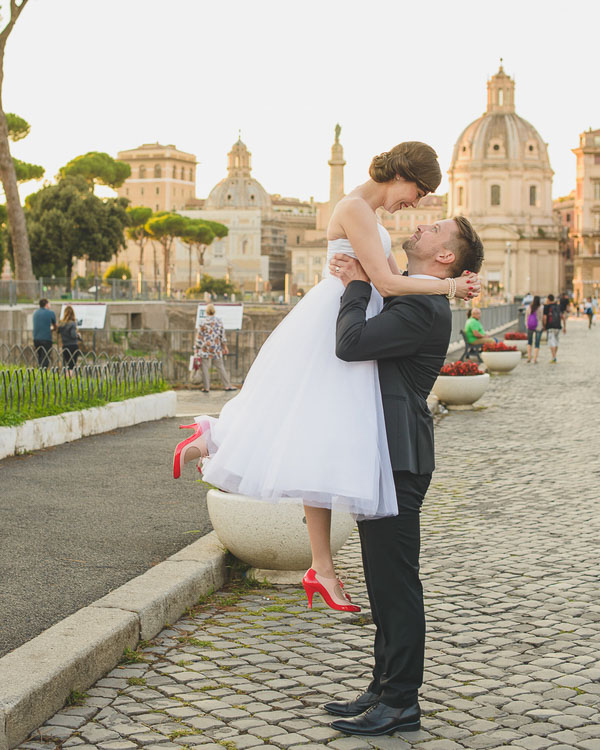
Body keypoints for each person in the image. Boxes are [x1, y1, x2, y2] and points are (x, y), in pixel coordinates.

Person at [173, 142, 480, 610]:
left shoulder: (371, 220)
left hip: (353, 316)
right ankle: (215, 433)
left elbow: (396, 288)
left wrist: (443, 287)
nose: (416, 203)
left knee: (315, 440)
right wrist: (451, 286)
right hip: (337, 320)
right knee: (302, 418)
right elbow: (389, 284)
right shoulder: (355, 208)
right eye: (419, 191)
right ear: (401, 173)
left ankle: (321, 566)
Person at [324, 217, 484, 737]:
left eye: (434, 228)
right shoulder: (416, 294)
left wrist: (355, 285)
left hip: (398, 456)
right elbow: (384, 266)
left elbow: (351, 344)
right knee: (382, 579)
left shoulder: (422, 305)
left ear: (444, 258)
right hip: (384, 454)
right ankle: (383, 684)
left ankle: (401, 701)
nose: (421, 225)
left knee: (396, 583)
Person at [192, 304, 237, 393]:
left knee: (205, 368)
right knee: (220, 367)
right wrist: (224, 346)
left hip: (204, 348)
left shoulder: (202, 322)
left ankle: (206, 388)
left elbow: (199, 337)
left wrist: (196, 347)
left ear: (206, 312)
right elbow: (222, 335)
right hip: (216, 348)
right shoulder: (219, 321)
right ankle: (227, 385)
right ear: (214, 311)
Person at [32, 298, 57, 368]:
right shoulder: (50, 313)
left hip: (36, 338)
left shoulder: (35, 313)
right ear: (46, 305)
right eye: (49, 303)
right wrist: (52, 329)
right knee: (45, 357)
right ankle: (43, 374)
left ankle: (39, 372)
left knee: (40, 357)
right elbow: (55, 326)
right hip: (46, 338)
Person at [57, 305, 81, 373]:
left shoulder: (61, 324)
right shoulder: (72, 324)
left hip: (65, 346)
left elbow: (58, 331)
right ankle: (70, 381)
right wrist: (78, 335)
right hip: (73, 346)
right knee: (72, 365)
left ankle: (67, 380)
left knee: (66, 365)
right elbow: (73, 335)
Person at [543, 293, 562, 363]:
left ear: (548, 299)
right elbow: (561, 316)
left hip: (550, 326)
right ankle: (554, 356)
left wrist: (544, 326)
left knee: (552, 342)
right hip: (558, 326)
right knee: (556, 341)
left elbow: (545, 317)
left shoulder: (547, 307)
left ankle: (554, 357)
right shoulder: (557, 306)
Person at [525, 295, 543, 363]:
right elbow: (541, 318)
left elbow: (526, 317)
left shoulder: (529, 307)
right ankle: (535, 358)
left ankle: (529, 357)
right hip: (538, 326)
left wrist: (527, 325)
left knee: (529, 342)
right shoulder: (540, 308)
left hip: (530, 326)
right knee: (537, 343)